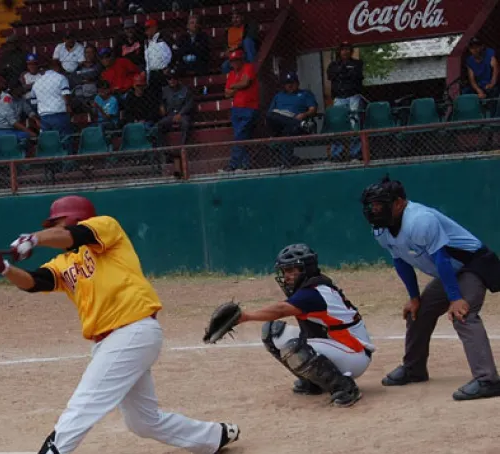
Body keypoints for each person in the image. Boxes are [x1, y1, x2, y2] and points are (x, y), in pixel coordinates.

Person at [0, 195, 240, 454]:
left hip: (133, 329)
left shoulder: (105, 228)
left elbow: (73, 236)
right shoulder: (65, 262)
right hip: (111, 341)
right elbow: (35, 282)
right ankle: (210, 438)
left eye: (57, 222)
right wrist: (6, 268)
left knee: (87, 399)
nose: (54, 228)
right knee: (143, 422)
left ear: (74, 219)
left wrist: (33, 239)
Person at [362, 176, 500, 401]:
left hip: (473, 265)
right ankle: (414, 369)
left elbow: (442, 260)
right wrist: (414, 297)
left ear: (399, 203)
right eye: (372, 205)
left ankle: (488, 380)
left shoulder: (420, 220)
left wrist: (455, 298)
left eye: (380, 204)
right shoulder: (381, 228)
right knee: (419, 312)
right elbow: (400, 261)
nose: (374, 210)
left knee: (463, 314)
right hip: (450, 271)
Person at [210, 244, 372, 407]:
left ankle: (345, 388)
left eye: (290, 270)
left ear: (305, 269)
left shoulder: (314, 293)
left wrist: (244, 317)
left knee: (295, 348)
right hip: (339, 348)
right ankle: (314, 382)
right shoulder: (311, 288)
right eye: (284, 271)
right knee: (273, 332)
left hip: (354, 353)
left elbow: (280, 310)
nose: (286, 276)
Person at [266, 71, 318, 167]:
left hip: (297, 125)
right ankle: (296, 123)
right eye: (287, 83)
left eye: (292, 82)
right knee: (270, 116)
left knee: (287, 131)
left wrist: (304, 114)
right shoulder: (278, 96)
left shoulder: (305, 94)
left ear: (297, 83)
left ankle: (286, 163)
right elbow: (271, 113)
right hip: (283, 123)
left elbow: (313, 109)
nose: (290, 85)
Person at [222, 50, 259, 172]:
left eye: (236, 60)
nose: (234, 63)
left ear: (241, 60)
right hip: (236, 109)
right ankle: (245, 164)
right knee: (242, 137)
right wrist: (238, 86)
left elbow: (245, 82)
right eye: (232, 61)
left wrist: (234, 86)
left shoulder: (248, 67)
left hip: (249, 108)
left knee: (240, 136)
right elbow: (227, 93)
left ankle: (233, 164)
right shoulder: (232, 74)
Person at [327, 42, 363, 161]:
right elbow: (331, 75)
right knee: (338, 125)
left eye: (348, 49)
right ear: (339, 51)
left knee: (354, 124)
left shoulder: (357, 63)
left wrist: (343, 73)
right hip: (339, 98)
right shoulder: (333, 65)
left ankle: (355, 153)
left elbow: (356, 76)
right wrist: (343, 71)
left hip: (353, 96)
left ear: (351, 51)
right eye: (343, 49)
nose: (345, 51)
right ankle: (337, 154)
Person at [0, 80, 37, 153]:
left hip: (13, 130)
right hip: (0, 130)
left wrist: (37, 120)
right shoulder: (6, 99)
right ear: (14, 90)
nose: (21, 90)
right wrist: (30, 132)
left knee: (26, 136)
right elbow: (13, 122)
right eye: (19, 89)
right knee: (26, 135)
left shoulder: (20, 98)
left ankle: (22, 158)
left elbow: (29, 111)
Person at [30, 60, 74, 139]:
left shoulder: (36, 82)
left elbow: (33, 102)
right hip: (59, 115)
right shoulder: (60, 77)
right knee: (64, 141)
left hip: (44, 117)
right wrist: (68, 105)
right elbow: (65, 93)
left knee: (49, 143)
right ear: (56, 67)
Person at [159, 67, 193, 145]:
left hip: (182, 115)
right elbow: (162, 102)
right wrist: (161, 107)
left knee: (186, 123)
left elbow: (189, 104)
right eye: (169, 78)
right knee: (160, 124)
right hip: (170, 115)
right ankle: (164, 149)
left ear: (178, 79)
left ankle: (183, 147)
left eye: (174, 78)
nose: (172, 80)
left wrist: (180, 114)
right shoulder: (164, 90)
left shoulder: (185, 90)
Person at [144, 19, 171, 100]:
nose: (146, 31)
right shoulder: (146, 42)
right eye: (146, 29)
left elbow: (174, 53)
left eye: (148, 28)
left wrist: (170, 66)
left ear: (154, 28)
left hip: (163, 73)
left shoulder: (164, 38)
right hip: (152, 75)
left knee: (165, 97)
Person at [70, 45, 101, 112]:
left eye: (91, 52)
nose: (89, 55)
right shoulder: (79, 67)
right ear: (84, 54)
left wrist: (81, 78)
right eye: (87, 52)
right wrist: (88, 79)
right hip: (79, 97)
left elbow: (94, 74)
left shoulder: (99, 65)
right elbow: (73, 79)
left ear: (95, 54)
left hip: (93, 95)